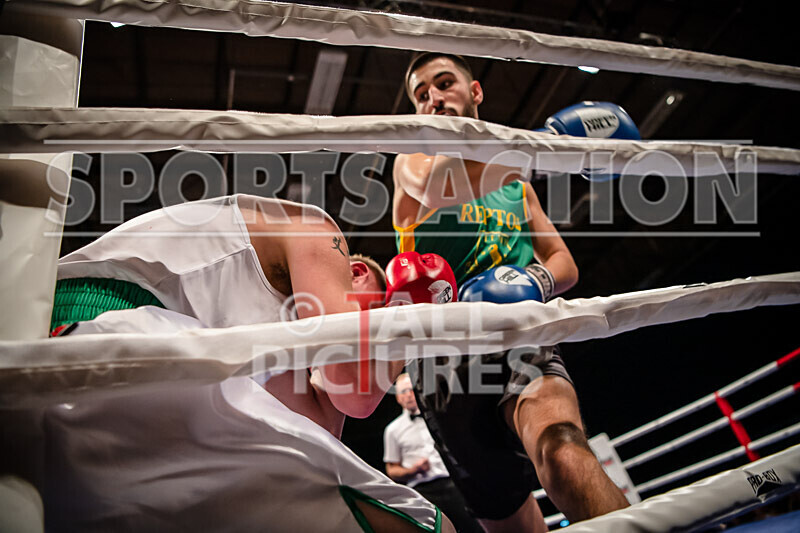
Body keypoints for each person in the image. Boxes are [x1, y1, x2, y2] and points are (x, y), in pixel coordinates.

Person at [21, 194, 456, 532]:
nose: (375, 352)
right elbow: (355, 389)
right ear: (358, 273)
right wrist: (410, 317)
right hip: (108, 329)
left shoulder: (277, 334)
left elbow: (318, 445)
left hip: (104, 392)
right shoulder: (317, 232)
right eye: (374, 321)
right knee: (414, 523)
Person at [392, 53, 630, 532]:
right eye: (422, 94)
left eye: (444, 84)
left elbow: (563, 263)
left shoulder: (518, 187)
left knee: (562, 450)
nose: (434, 99)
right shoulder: (411, 163)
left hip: (518, 332)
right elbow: (444, 188)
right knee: (512, 522)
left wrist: (531, 282)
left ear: (475, 91)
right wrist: (545, 146)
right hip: (443, 358)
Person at [385, 374, 483, 533]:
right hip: (421, 491)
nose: (408, 395)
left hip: (453, 482)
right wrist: (413, 470)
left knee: (474, 528)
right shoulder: (392, 430)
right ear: (397, 398)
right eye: (403, 392)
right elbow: (391, 470)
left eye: (411, 390)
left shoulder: (440, 418)